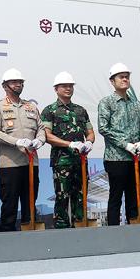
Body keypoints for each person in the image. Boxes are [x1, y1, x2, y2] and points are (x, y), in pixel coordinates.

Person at [0, 68, 46, 231]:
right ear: (5, 86)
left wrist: (40, 140)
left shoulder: (31, 106)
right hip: (10, 165)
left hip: (31, 164)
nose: (18, 85)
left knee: (30, 205)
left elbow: (41, 128)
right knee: (9, 206)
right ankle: (7, 241)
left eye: (20, 82)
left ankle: (32, 241)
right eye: (14, 82)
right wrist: (16, 141)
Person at [41, 72, 96, 228]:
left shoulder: (80, 110)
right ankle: (62, 230)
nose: (68, 88)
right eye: (64, 86)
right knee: (62, 197)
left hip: (81, 161)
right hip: (61, 162)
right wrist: (69, 144)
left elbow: (90, 132)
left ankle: (80, 227)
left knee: (81, 196)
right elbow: (47, 136)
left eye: (70, 86)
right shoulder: (49, 110)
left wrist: (90, 142)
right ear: (56, 89)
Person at [97, 62, 140, 225]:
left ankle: (135, 229)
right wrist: (125, 144)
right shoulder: (107, 103)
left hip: (136, 159)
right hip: (116, 158)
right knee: (116, 196)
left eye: (127, 76)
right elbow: (103, 128)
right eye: (121, 77)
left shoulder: (136, 103)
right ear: (112, 81)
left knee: (134, 196)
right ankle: (113, 231)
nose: (125, 79)